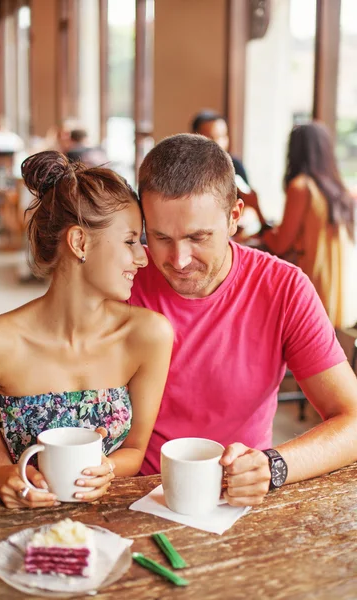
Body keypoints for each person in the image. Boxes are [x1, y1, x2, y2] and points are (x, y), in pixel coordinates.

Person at [128, 133, 357, 506]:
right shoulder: (123, 278)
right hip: (135, 491)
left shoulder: (284, 288)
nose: (179, 259)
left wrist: (274, 465)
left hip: (238, 495)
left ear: (234, 216)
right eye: (159, 237)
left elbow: (353, 421)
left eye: (198, 237)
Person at [0, 150, 173, 508]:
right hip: (7, 534)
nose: (142, 257)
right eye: (130, 241)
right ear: (79, 243)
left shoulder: (149, 336)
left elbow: (134, 450)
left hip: (106, 527)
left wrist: (107, 467)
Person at [239, 122, 357, 329]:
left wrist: (255, 206)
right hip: (339, 292)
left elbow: (280, 245)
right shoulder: (337, 189)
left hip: (312, 285)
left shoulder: (301, 187)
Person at [191, 110, 249, 184]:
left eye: (222, 136)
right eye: (210, 136)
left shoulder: (235, 166)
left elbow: (247, 194)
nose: (218, 142)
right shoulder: (185, 165)